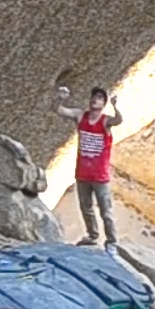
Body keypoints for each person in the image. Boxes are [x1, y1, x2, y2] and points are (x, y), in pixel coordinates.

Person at [53, 85, 122, 252]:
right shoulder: (80, 115)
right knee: (86, 207)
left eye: (99, 98)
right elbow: (58, 110)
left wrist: (116, 107)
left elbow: (118, 121)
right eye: (93, 97)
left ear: (103, 103)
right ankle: (92, 236)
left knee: (105, 210)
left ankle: (112, 241)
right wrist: (60, 98)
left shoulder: (105, 121)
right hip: (83, 173)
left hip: (100, 176)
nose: (94, 100)